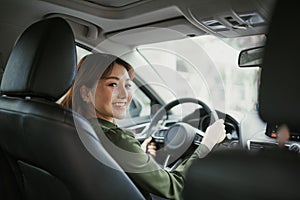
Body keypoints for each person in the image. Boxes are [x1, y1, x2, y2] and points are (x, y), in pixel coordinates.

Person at [61, 53, 226, 200]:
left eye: (127, 85)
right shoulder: (115, 138)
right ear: (85, 93)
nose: (125, 95)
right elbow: (177, 188)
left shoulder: (67, 125)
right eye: (113, 84)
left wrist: (139, 156)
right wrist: (206, 145)